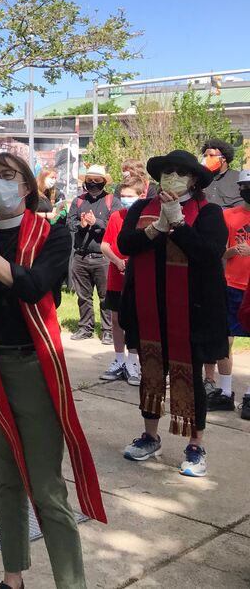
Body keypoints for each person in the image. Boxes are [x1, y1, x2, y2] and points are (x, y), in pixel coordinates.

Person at [0, 152, 105, 589]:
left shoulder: (51, 234)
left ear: (27, 186)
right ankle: (13, 579)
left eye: (6, 177)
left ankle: (71, 582)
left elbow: (31, 286)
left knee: (46, 487)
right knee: (5, 477)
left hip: (32, 366)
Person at [119, 150, 228, 478]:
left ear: (194, 180)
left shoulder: (208, 213)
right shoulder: (141, 208)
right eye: (167, 171)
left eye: (181, 172)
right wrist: (156, 228)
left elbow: (209, 254)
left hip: (191, 313)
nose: (173, 176)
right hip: (148, 308)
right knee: (151, 372)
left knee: (190, 377)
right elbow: (126, 244)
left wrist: (178, 223)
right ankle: (150, 436)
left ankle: (195, 444)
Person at [206, 168, 250, 416]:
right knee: (225, 339)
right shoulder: (229, 216)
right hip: (231, 283)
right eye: (244, 187)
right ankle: (224, 391)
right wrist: (233, 251)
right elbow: (219, 250)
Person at [97, 176, 146, 385]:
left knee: (134, 321)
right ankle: (119, 360)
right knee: (116, 319)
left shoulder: (146, 218)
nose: (125, 200)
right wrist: (118, 262)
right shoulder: (117, 216)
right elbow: (105, 244)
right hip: (116, 277)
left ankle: (133, 362)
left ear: (141, 195)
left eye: (130, 196)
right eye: (123, 196)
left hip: (138, 279)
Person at [68, 164, 115, 343]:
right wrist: (82, 225)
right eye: (90, 181)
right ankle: (85, 327)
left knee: (105, 296)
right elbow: (70, 224)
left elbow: (114, 225)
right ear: (85, 182)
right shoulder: (78, 201)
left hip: (102, 257)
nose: (93, 183)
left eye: (97, 181)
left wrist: (97, 222)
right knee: (83, 296)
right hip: (81, 256)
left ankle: (108, 330)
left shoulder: (112, 201)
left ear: (103, 182)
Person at [201, 139, 240, 208]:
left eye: (211, 155)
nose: (207, 159)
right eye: (205, 156)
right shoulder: (200, 179)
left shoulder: (239, 179)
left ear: (223, 158)